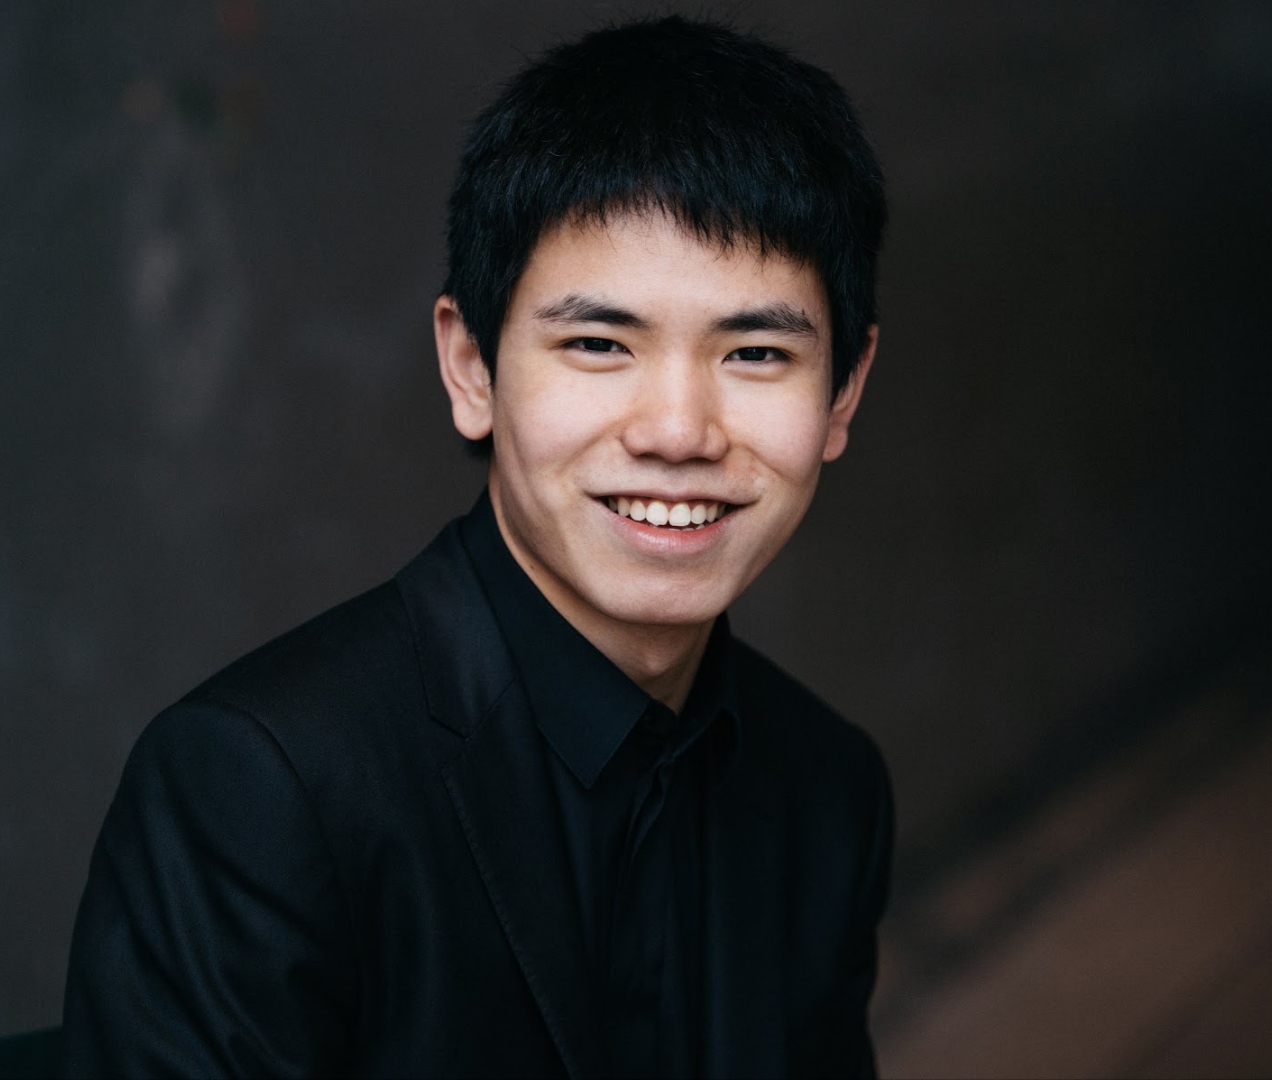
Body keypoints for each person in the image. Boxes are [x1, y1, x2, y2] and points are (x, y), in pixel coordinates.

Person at [62, 15, 892, 1078]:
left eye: (757, 352)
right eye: (599, 343)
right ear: (471, 370)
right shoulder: (263, 789)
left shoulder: (828, 792)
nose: (679, 432)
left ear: (843, 394)